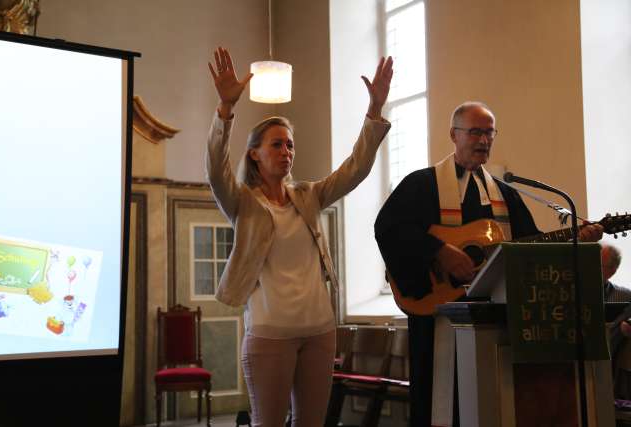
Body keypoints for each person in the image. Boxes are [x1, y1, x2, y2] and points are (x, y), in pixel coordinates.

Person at [374, 101, 603, 427]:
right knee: (443, 405)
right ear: (454, 134)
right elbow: (389, 227)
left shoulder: (505, 194)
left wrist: (576, 238)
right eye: (475, 132)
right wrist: (439, 251)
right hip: (441, 315)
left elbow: (529, 244)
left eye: (489, 133)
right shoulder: (422, 185)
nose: (484, 140)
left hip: (498, 321)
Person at [205, 47, 392, 427]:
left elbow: (354, 170)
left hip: (320, 332)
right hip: (270, 335)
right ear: (255, 154)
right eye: (277, 143)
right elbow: (215, 168)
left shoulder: (307, 195)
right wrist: (225, 109)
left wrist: (373, 114)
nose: (286, 151)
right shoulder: (243, 202)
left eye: (290, 144)